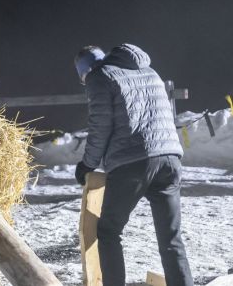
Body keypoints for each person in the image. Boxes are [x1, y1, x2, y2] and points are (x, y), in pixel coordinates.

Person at [73, 44, 192, 286]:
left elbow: (100, 126)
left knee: (108, 232)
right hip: (169, 158)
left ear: (85, 71)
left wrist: (88, 164)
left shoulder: (99, 76)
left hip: (132, 163)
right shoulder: (150, 71)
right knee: (171, 240)